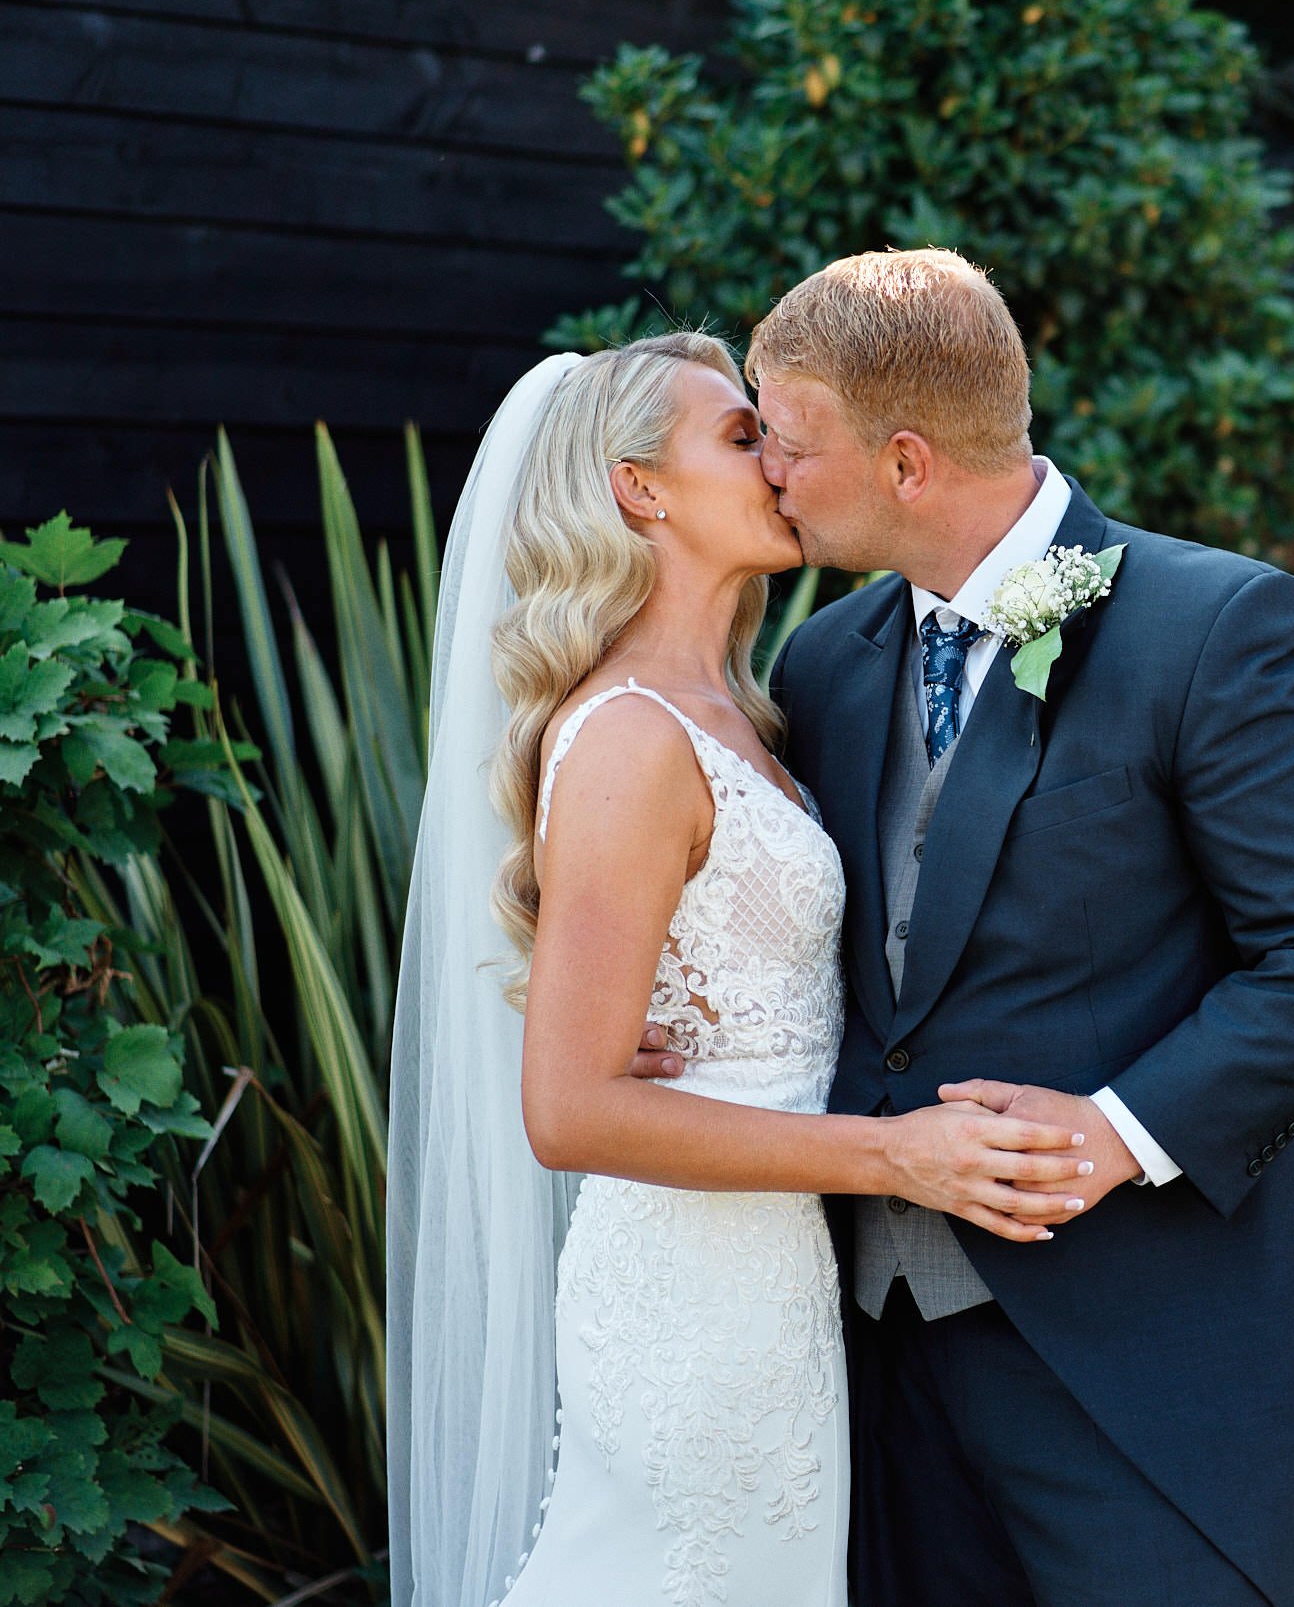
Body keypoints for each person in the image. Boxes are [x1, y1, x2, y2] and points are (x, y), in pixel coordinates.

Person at [620, 248, 1294, 1607]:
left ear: (908, 462)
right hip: (872, 1358)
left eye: (791, 443)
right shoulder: (823, 663)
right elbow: (799, 925)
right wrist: (669, 1020)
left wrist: (1114, 1132)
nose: (771, 473)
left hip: (1137, 1364)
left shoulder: (1214, 626)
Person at [386, 331, 1089, 1607]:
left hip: (781, 1281)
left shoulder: (757, 713)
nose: (776, 460)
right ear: (639, 488)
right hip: (689, 1296)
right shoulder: (628, 736)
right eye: (738, 434)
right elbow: (569, 1110)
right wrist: (896, 1154)